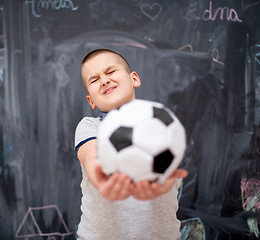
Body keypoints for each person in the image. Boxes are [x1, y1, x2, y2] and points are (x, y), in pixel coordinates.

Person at [74, 49, 188, 240]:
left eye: (110, 72)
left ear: (134, 79)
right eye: (94, 80)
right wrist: (104, 179)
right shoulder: (90, 127)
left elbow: (168, 171)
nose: (104, 80)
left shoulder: (163, 123)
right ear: (91, 101)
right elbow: (93, 160)